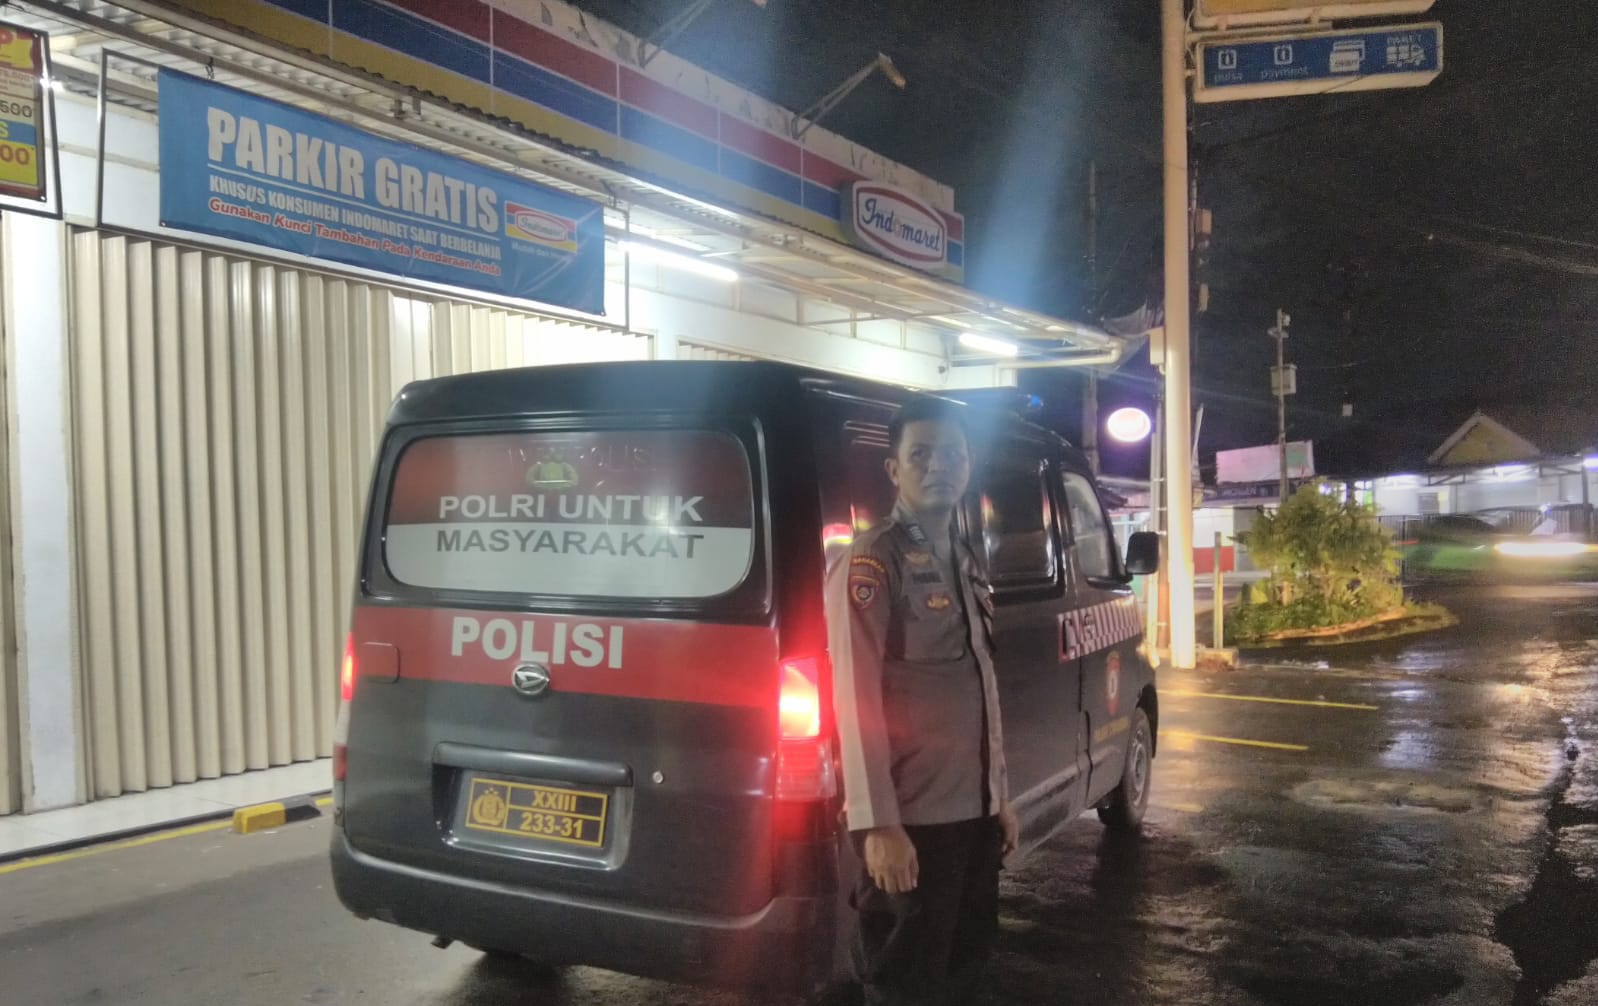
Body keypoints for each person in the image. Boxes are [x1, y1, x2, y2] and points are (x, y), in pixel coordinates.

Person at [828, 396, 1019, 1006]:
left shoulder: (964, 559)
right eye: (922, 454)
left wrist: (999, 797)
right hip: (911, 823)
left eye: (954, 454)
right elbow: (853, 697)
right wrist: (877, 822)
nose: (941, 465)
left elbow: (978, 684)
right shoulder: (872, 560)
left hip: (973, 817)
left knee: (965, 973)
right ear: (894, 469)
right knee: (905, 985)